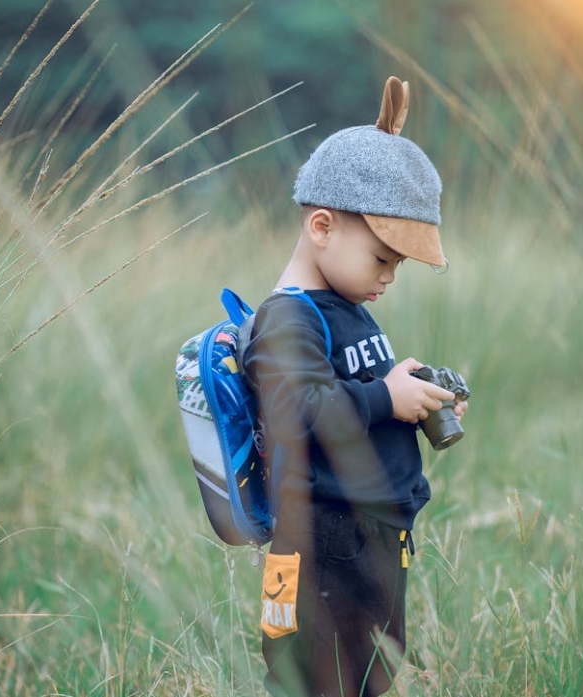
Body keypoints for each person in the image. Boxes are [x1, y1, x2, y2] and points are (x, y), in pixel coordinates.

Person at [241, 76, 469, 696]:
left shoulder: (345, 304)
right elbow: (301, 408)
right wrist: (385, 396)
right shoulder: (286, 317)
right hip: (321, 542)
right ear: (322, 226)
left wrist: (412, 390)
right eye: (383, 257)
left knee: (372, 674)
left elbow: (352, 393)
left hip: (371, 537)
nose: (391, 276)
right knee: (319, 680)